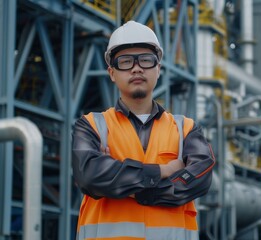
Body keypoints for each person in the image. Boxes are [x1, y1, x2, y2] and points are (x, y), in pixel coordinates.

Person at [71, 20, 215, 240]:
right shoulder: (91, 126)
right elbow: (90, 176)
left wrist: (125, 185)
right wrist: (163, 171)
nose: (136, 68)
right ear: (112, 73)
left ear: (158, 68)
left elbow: (200, 177)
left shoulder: (185, 129)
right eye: (126, 61)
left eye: (146, 60)